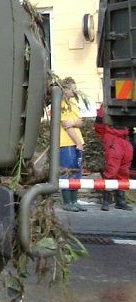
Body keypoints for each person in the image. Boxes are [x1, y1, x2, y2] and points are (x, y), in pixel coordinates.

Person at [94, 104, 134, 211]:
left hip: (124, 139)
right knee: (111, 170)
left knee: (124, 171)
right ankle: (106, 200)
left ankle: (120, 201)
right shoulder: (108, 105)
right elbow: (98, 125)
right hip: (113, 139)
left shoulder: (119, 104)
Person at [59, 77, 86, 212]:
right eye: (72, 89)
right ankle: (67, 201)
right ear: (65, 89)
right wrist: (78, 142)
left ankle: (75, 200)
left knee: (77, 172)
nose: (75, 91)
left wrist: (74, 123)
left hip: (77, 142)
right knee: (67, 172)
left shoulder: (74, 104)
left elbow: (80, 122)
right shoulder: (61, 104)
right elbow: (66, 125)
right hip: (67, 143)